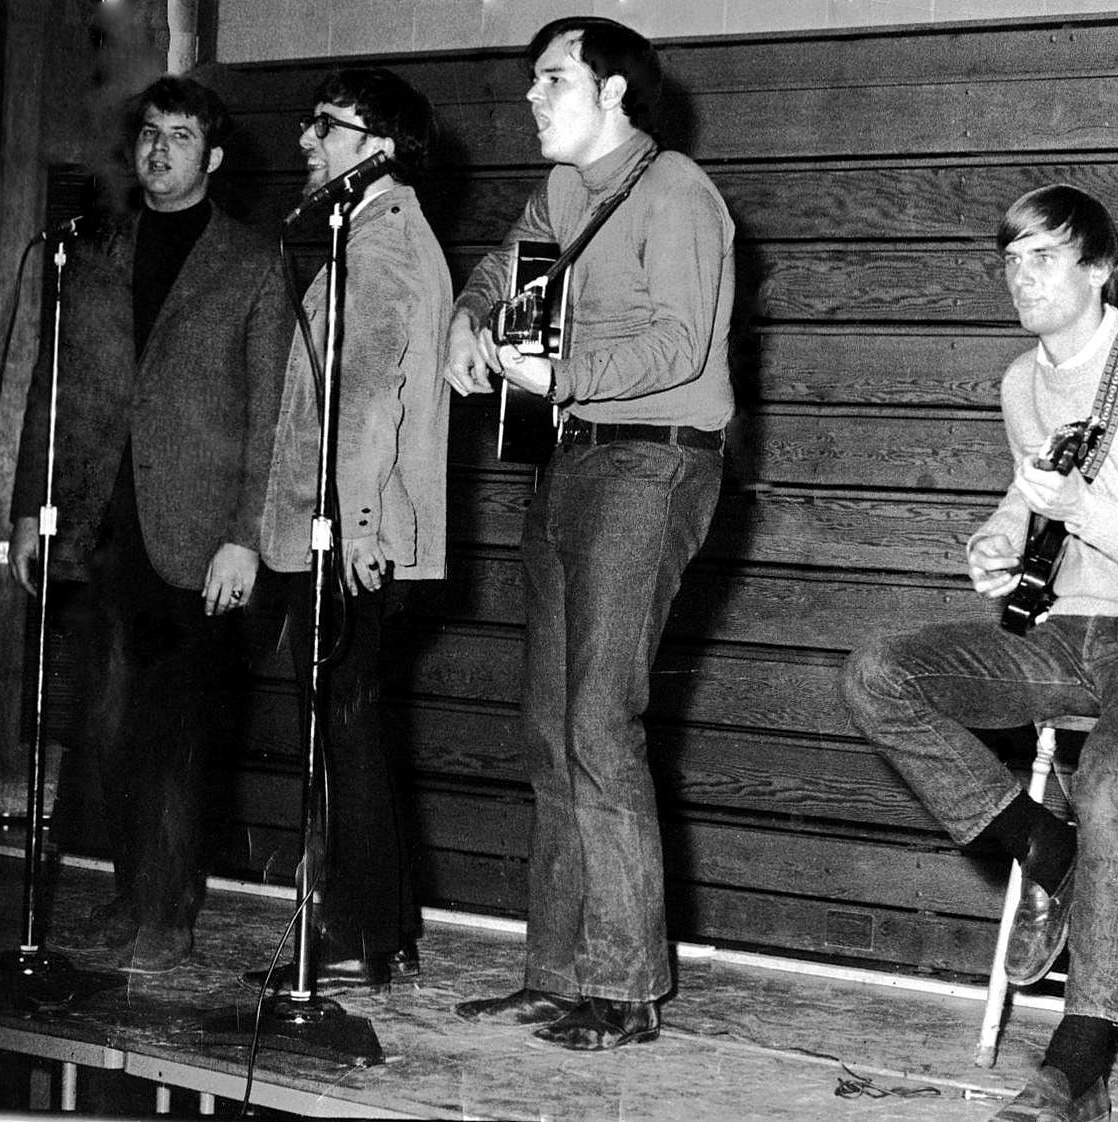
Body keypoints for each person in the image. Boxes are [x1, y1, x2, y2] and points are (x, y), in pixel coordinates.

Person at [839, 185, 1118, 1121]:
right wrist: (996, 539)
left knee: (1112, 766)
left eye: (1043, 258)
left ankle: (1080, 1064)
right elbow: (1033, 493)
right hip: (1071, 632)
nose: (1019, 278)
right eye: (1009, 258)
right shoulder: (1022, 382)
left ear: (1101, 269)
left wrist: (1079, 512)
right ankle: (1050, 852)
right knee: (879, 671)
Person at [444, 17, 735, 1051]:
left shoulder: (678, 193)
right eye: (531, 79)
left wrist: (559, 378)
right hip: (569, 464)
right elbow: (492, 269)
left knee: (602, 724)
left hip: (651, 464)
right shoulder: (563, 193)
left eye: (553, 79)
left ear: (612, 92)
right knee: (549, 730)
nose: (533, 95)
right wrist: (466, 325)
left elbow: (680, 340)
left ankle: (624, 989)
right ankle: (556, 970)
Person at [9, 75, 291, 973]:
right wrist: (28, 511)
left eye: (179, 135)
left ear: (212, 157)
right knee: (107, 726)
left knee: (175, 731)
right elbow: (51, 396)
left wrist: (246, 535)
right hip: (101, 529)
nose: (157, 149)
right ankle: (131, 894)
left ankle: (167, 915)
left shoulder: (253, 261)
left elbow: (272, 412)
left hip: (198, 537)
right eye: (149, 134)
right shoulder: (90, 254)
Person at [252, 67, 451, 989]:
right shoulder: (366, 230)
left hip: (351, 536)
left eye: (325, 127)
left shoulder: (384, 242)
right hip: (336, 530)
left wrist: (360, 521)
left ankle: (365, 929)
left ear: (376, 147)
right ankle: (371, 926)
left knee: (347, 725)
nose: (306, 141)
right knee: (346, 726)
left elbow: (372, 392)